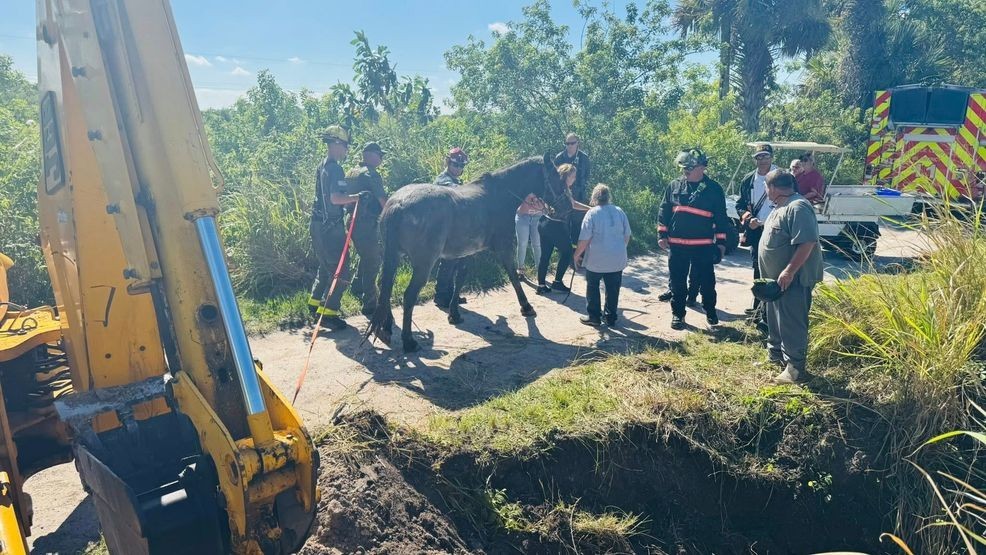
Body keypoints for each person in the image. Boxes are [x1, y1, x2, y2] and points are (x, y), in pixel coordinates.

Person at [757, 170, 824, 384]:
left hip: (793, 280)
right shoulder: (780, 207)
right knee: (776, 320)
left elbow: (807, 242)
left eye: (767, 187)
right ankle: (776, 356)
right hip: (775, 283)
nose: (766, 191)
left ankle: (795, 369)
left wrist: (789, 271)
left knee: (792, 322)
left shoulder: (798, 206)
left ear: (774, 188)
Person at [308, 125, 374, 331]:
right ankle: (329, 313)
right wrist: (358, 197)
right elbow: (336, 198)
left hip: (318, 225)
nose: (346, 150)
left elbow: (328, 198)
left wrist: (347, 201)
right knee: (342, 271)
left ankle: (315, 303)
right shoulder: (335, 168)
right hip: (330, 229)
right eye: (345, 145)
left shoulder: (323, 165)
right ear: (336, 144)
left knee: (325, 267)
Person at [657, 148, 730, 330]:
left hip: (703, 246)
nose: (685, 171)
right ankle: (678, 315)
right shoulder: (674, 186)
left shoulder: (714, 189)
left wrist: (721, 244)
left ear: (702, 167)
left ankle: (710, 311)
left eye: (689, 167)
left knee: (707, 283)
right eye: (683, 168)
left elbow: (721, 218)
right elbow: (664, 210)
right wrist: (662, 234)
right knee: (677, 283)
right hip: (677, 246)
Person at [574, 184, 631, 327]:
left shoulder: (592, 213)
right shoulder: (619, 211)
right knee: (613, 288)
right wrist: (620, 249)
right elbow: (627, 234)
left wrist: (576, 255)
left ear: (594, 197)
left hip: (596, 258)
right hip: (617, 258)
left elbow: (585, 239)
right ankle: (611, 317)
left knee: (592, 286)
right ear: (608, 196)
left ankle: (594, 317)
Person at [736, 143, 779, 322]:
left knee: (776, 270)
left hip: (778, 230)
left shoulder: (782, 177)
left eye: (765, 156)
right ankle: (758, 309)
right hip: (757, 231)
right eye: (759, 157)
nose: (762, 160)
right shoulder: (748, 179)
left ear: (771, 157)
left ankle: (772, 311)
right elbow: (740, 205)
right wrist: (748, 218)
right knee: (758, 270)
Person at [346, 142, 389, 316]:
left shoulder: (351, 172)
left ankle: (356, 287)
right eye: (380, 155)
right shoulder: (371, 174)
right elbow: (383, 201)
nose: (381, 158)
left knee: (365, 256)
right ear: (371, 155)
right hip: (366, 223)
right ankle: (370, 303)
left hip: (352, 221)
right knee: (373, 260)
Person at [536, 163, 590, 294]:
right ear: (566, 175)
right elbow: (573, 205)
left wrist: (589, 209)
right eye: (573, 176)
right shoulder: (562, 189)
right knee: (567, 252)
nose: (574, 179)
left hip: (544, 223)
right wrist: (591, 209)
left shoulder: (556, 187)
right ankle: (557, 283)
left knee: (545, 256)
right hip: (556, 225)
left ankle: (541, 286)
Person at [434, 147, 470, 309]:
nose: (459, 168)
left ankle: (449, 293)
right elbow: (457, 192)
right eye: (456, 165)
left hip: (453, 226)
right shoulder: (444, 180)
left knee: (454, 261)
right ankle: (441, 295)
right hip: (444, 227)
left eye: (462, 166)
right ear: (448, 162)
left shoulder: (455, 180)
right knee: (448, 261)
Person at [554, 133, 592, 244]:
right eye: (567, 143)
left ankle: (576, 254)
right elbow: (554, 178)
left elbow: (586, 176)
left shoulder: (584, 158)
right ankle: (564, 250)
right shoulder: (559, 157)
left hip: (579, 195)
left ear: (577, 144)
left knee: (577, 224)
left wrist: (580, 189)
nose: (569, 146)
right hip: (563, 196)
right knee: (563, 223)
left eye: (572, 143)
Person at [515, 193, 545, 276]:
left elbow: (544, 207)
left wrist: (538, 201)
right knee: (522, 243)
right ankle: (521, 268)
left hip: (538, 218)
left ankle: (539, 269)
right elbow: (522, 209)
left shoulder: (544, 189)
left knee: (537, 244)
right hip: (523, 217)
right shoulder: (527, 190)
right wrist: (528, 198)